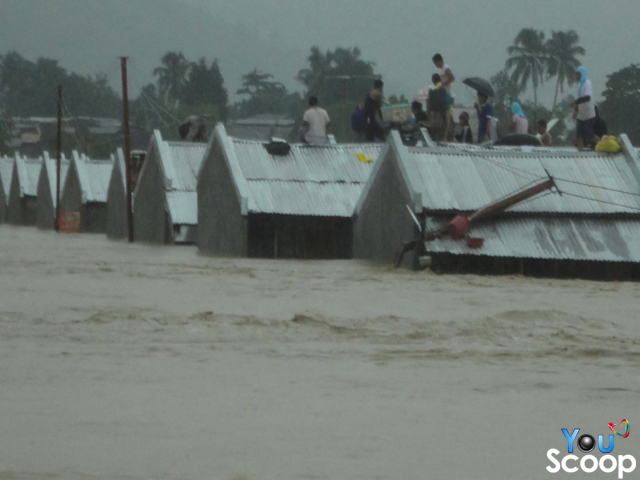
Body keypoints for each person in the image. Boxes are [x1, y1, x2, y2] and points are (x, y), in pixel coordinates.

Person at [572, 66, 596, 150]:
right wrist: (575, 111)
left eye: (578, 74)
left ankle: (601, 144)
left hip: (588, 113)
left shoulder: (587, 83)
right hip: (581, 114)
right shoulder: (579, 85)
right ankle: (580, 151)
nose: (576, 76)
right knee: (579, 135)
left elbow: (587, 97)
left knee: (589, 134)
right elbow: (578, 98)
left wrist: (575, 102)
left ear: (582, 74)